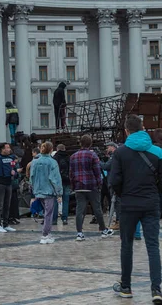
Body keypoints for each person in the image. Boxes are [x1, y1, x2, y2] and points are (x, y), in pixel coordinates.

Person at [110, 114, 162, 302]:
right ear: (142, 128)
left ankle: (126, 287)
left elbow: (114, 180)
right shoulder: (157, 152)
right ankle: (156, 290)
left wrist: (124, 194)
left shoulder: (120, 152)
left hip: (129, 204)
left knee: (127, 245)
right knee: (153, 246)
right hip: (151, 203)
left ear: (126, 130)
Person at [70, 134, 114, 241]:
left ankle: (79, 233)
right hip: (91, 186)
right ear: (90, 144)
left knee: (80, 210)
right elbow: (97, 171)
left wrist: (73, 186)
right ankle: (103, 230)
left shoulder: (73, 156)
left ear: (80, 143)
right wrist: (99, 184)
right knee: (97, 208)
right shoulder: (93, 156)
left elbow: (71, 173)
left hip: (79, 186)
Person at [29, 142, 62, 245]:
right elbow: (55, 179)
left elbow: (32, 177)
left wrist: (34, 190)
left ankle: (46, 233)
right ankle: (45, 234)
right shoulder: (52, 162)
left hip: (38, 191)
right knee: (48, 213)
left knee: (46, 213)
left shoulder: (35, 162)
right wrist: (59, 193)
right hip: (49, 191)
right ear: (51, 150)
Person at [53, 144, 71, 226]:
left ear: (57, 149)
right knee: (66, 200)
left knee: (55, 200)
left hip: (57, 181)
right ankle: (64, 218)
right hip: (67, 181)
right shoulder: (68, 157)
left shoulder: (55, 158)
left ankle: (54, 219)